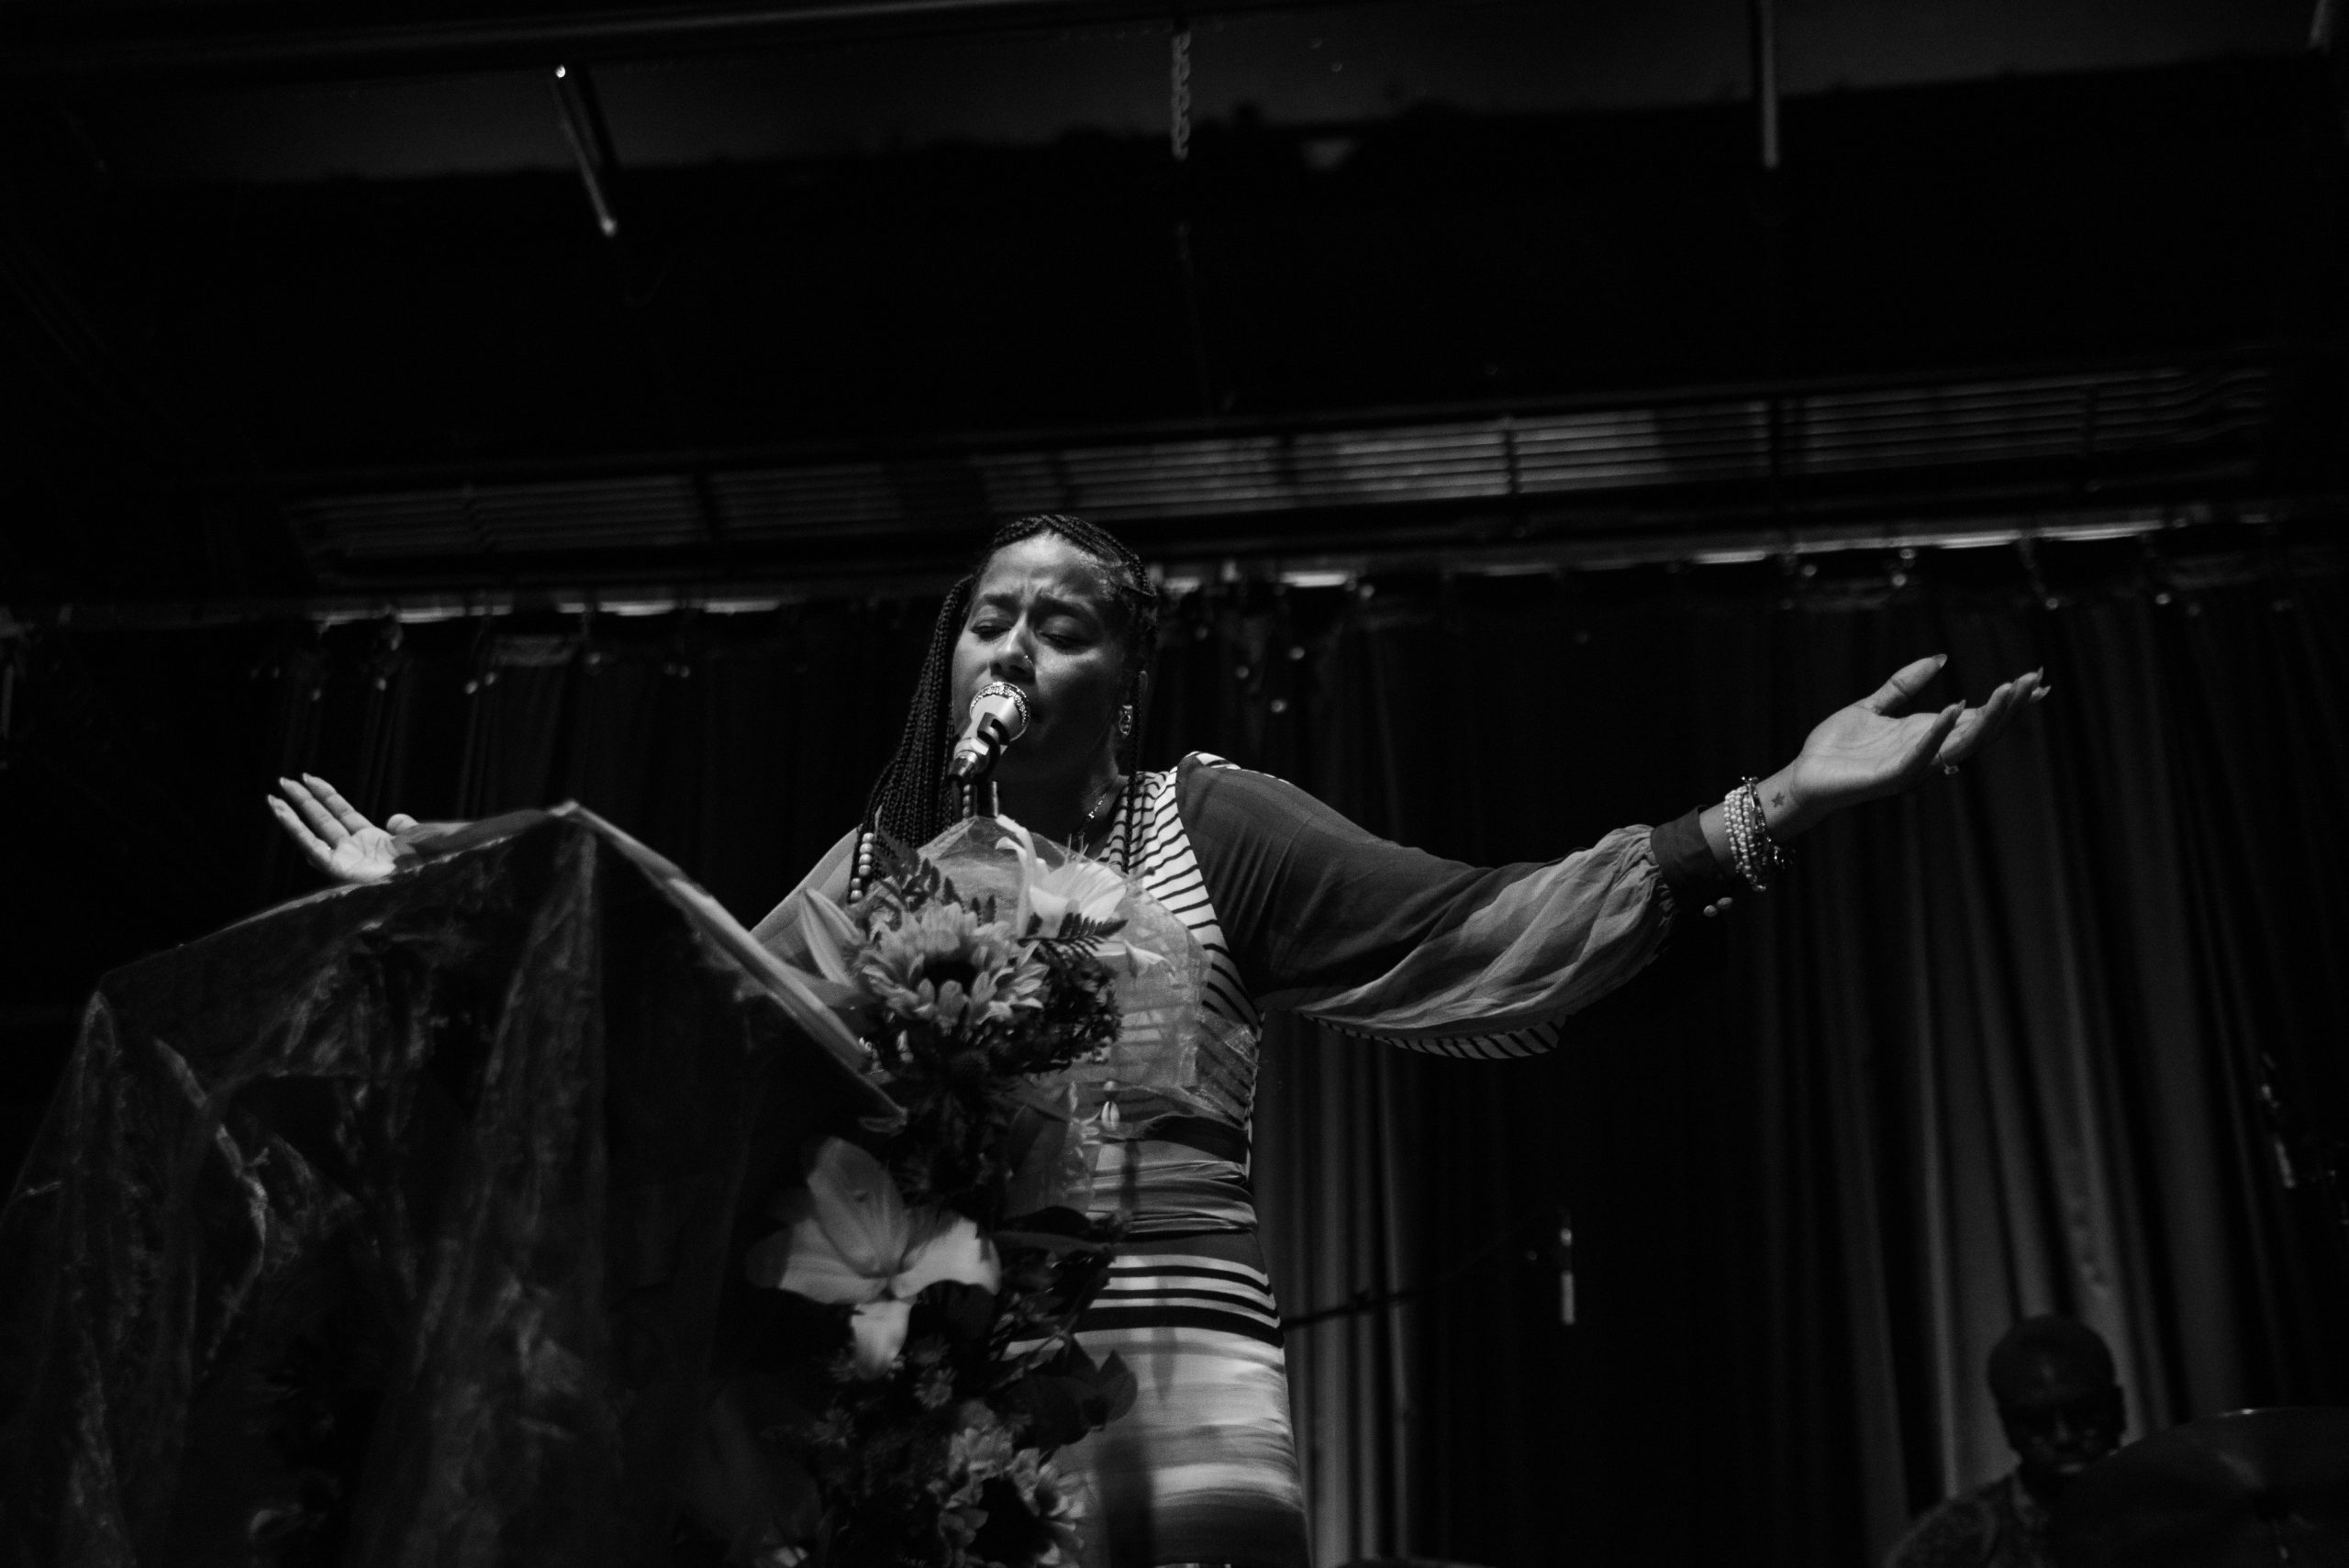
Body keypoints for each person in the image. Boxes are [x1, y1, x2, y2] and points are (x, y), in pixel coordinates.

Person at [273, 512, 2048, 1568]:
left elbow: (1485, 926)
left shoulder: (1210, 824)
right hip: (928, 1415)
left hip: (1181, 1386)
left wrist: (1778, 809)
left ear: (1130, 670)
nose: (1013, 644)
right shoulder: (878, 875)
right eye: (987, 614)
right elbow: (698, 1018)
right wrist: (457, 899)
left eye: (1063, 621)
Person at [1885, 1316, 2129, 1568]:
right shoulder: (1954, 1540)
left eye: (2084, 1414)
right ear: (2009, 1428)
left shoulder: (2164, 1511)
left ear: (2117, 1409)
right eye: (2037, 1422)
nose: (2064, 1438)